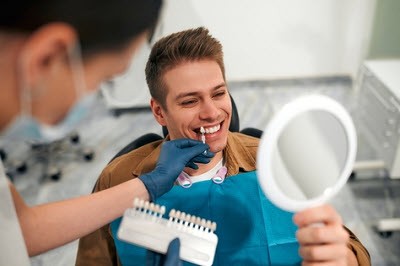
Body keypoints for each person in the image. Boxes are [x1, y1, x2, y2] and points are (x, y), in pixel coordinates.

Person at [76, 27, 371, 265]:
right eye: (190, 101)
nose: (212, 113)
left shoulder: (275, 162)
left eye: (219, 93)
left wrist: (341, 257)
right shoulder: (118, 180)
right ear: (159, 111)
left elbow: (352, 252)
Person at [0, 2, 213, 265]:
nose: (211, 112)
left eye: (219, 92)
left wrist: (148, 185)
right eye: (105, 78)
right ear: (45, 59)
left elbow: (18, 228)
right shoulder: (116, 173)